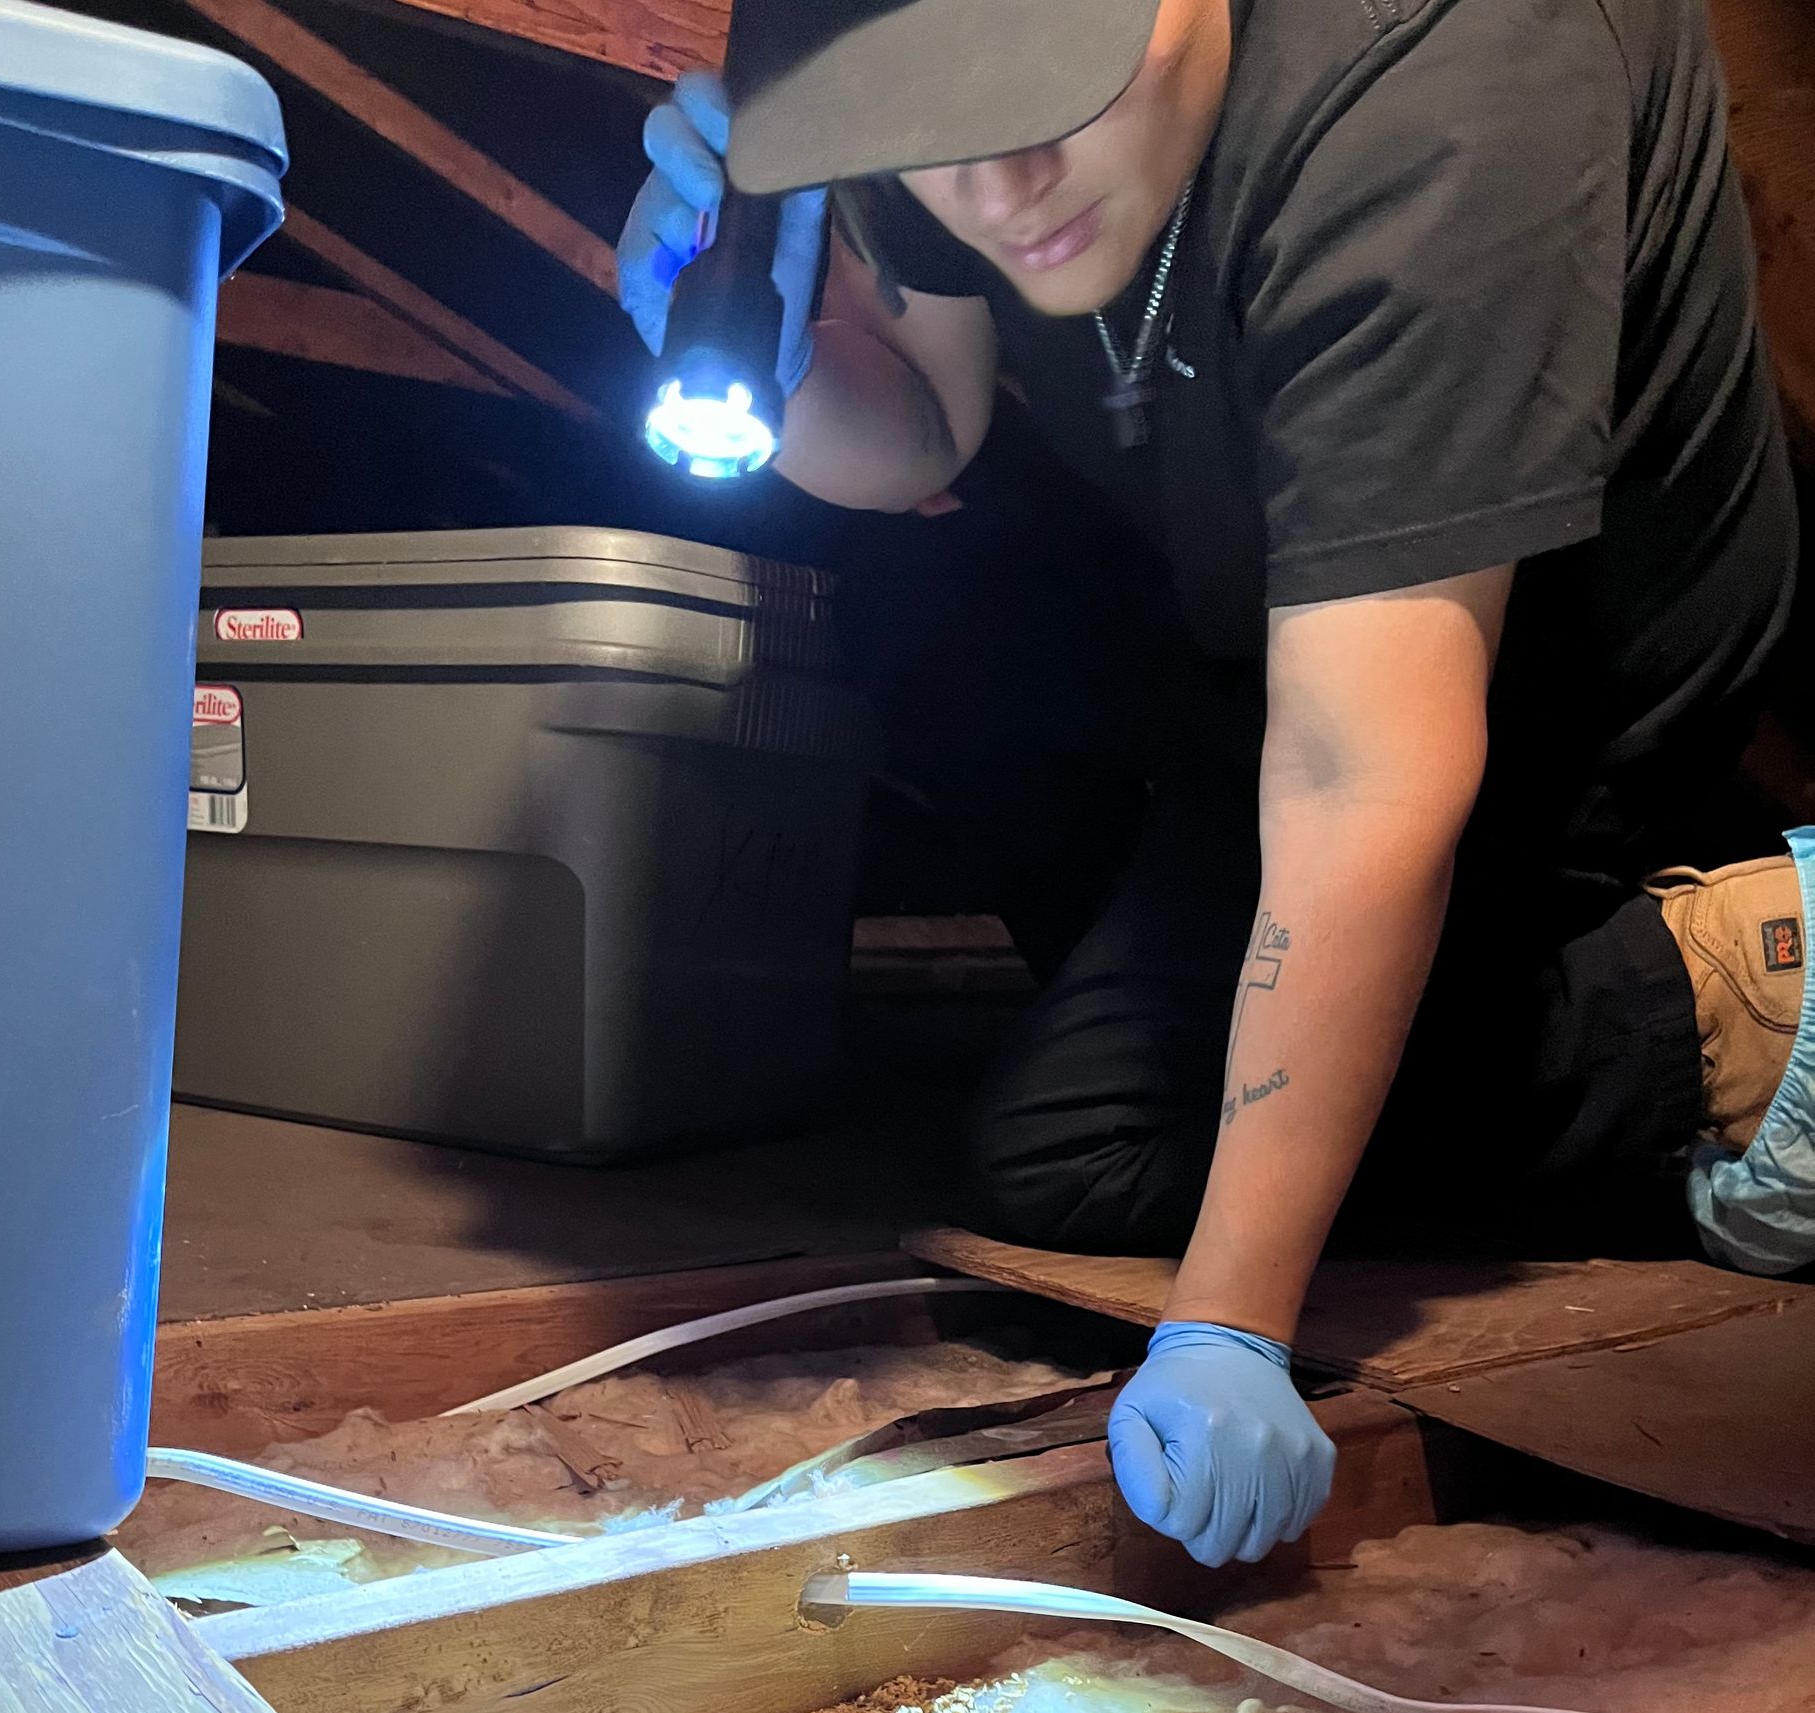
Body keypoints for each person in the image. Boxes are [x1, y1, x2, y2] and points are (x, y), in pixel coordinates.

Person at [618, 0, 1808, 1567]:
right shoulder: (951, 99)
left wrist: (1232, 1321)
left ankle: (1747, 990)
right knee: (942, 631)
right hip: (1265, 605)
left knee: (1076, 1151)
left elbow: (1358, 774)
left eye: (1048, 92)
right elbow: (918, 439)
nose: (1003, 186)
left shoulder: (1441, 84)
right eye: (932, 132)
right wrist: (737, 337)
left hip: (1569, 652)